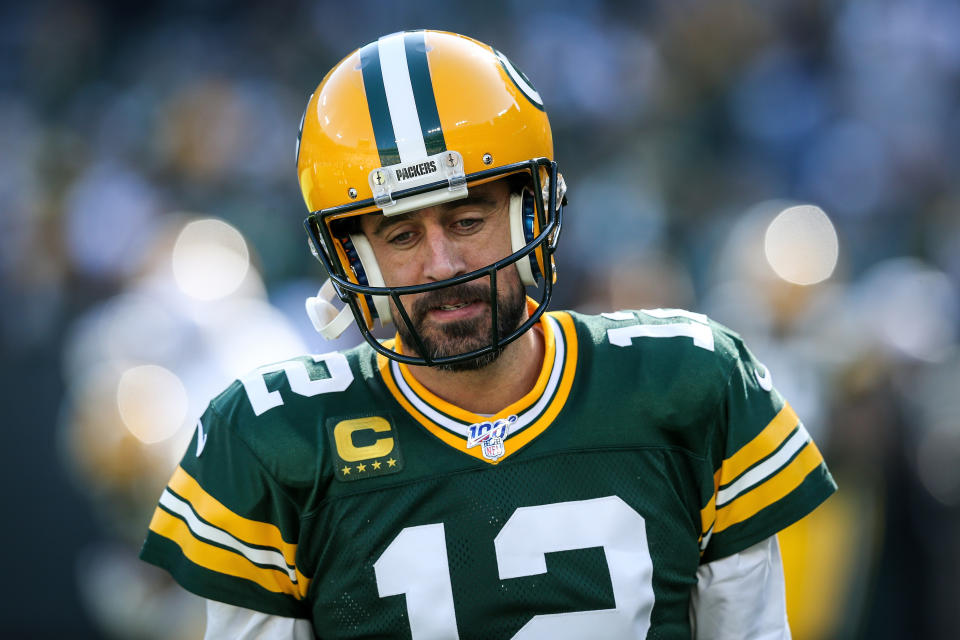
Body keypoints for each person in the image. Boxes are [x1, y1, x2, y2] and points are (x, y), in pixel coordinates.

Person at [140, 30, 836, 639]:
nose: (443, 265)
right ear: (351, 256)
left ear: (532, 213)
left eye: (468, 219)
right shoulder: (270, 440)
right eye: (402, 234)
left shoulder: (688, 382)